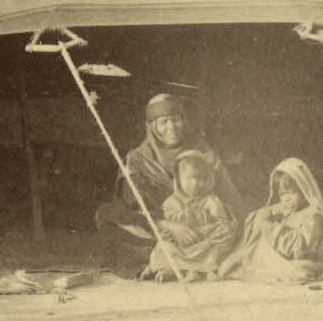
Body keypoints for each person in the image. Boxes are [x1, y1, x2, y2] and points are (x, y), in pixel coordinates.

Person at [94, 93, 243, 278]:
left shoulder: (204, 153)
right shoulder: (137, 159)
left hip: (204, 228)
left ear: (185, 121)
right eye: (164, 122)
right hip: (159, 229)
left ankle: (174, 265)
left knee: (244, 229)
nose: (172, 127)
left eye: (176, 120)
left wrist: (231, 226)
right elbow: (134, 204)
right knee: (108, 216)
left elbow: (230, 196)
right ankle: (185, 264)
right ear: (152, 127)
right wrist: (169, 226)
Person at [218, 158, 323, 283]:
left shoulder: (313, 215)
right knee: (259, 220)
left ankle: (245, 260)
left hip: (302, 257)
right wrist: (264, 217)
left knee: (299, 271)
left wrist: (271, 227)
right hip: (285, 254)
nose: (286, 198)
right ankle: (242, 257)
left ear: (304, 190)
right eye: (282, 194)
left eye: (292, 193)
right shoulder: (287, 208)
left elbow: (300, 248)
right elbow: (263, 216)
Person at [140, 150, 237, 282]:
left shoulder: (211, 200)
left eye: (201, 178)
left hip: (204, 242)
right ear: (179, 180)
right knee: (165, 248)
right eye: (190, 178)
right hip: (181, 245)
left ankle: (200, 271)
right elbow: (167, 228)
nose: (196, 183)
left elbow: (222, 221)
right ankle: (173, 270)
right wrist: (170, 233)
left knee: (216, 249)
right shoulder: (171, 202)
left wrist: (219, 229)